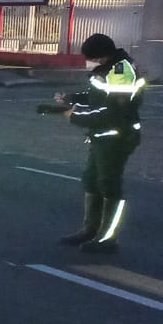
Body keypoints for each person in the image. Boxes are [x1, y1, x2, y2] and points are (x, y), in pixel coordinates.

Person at [49, 33, 142, 254]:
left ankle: (108, 238)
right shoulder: (105, 69)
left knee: (109, 183)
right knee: (91, 180)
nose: (88, 62)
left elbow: (114, 112)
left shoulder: (121, 71)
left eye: (91, 58)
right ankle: (90, 229)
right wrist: (73, 98)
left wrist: (74, 116)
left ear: (102, 55)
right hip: (101, 136)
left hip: (118, 136)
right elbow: (96, 97)